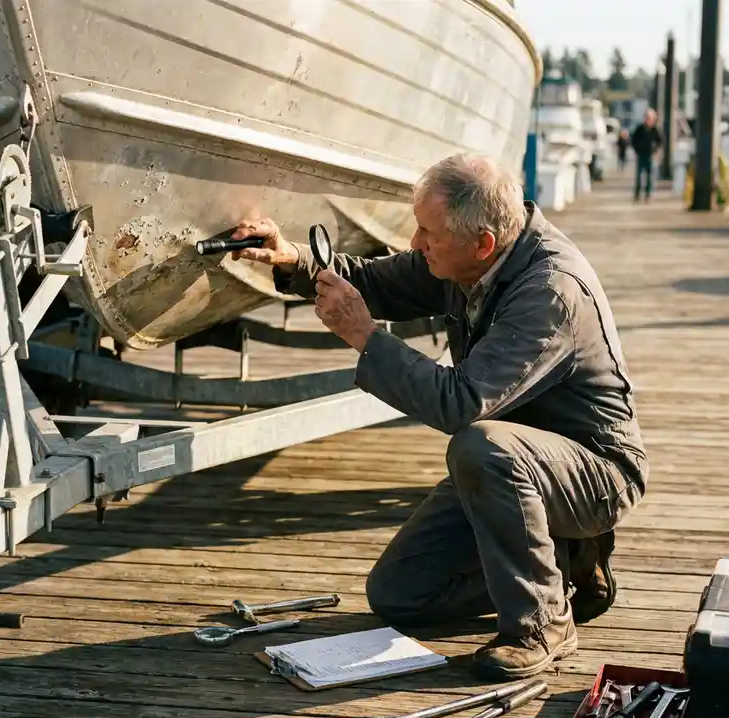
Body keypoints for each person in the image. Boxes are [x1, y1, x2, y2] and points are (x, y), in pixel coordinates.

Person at [228, 153, 648, 681]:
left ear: (483, 243)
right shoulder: (467, 257)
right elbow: (376, 282)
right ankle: (561, 564)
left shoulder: (548, 290)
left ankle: (542, 624)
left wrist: (364, 336)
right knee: (399, 596)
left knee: (480, 443)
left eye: (427, 232)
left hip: (595, 473)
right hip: (516, 466)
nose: (415, 243)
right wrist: (293, 260)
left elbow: (460, 403)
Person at [630, 109, 663, 201]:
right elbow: (633, 140)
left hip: (650, 155)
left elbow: (660, 141)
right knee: (639, 176)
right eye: (647, 117)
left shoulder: (655, 130)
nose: (648, 120)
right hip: (641, 154)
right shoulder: (640, 129)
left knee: (650, 176)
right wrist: (637, 149)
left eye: (650, 118)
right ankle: (637, 194)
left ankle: (648, 194)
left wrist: (656, 150)